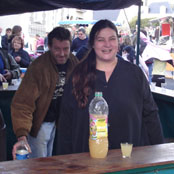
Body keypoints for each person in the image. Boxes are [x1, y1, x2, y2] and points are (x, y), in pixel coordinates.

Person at [57, 19, 164, 155]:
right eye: (101, 39)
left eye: (112, 38)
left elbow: (151, 115)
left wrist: (159, 152)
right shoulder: (77, 76)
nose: (107, 44)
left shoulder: (134, 74)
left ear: (118, 42)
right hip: (85, 162)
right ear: (93, 44)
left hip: (128, 161)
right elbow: (66, 124)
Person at [11, 27, 79, 159]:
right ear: (49, 46)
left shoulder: (74, 63)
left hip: (63, 123)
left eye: (65, 49)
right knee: (39, 165)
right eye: (57, 49)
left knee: (59, 163)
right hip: (40, 123)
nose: (62, 53)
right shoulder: (38, 67)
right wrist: (22, 136)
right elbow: (22, 104)